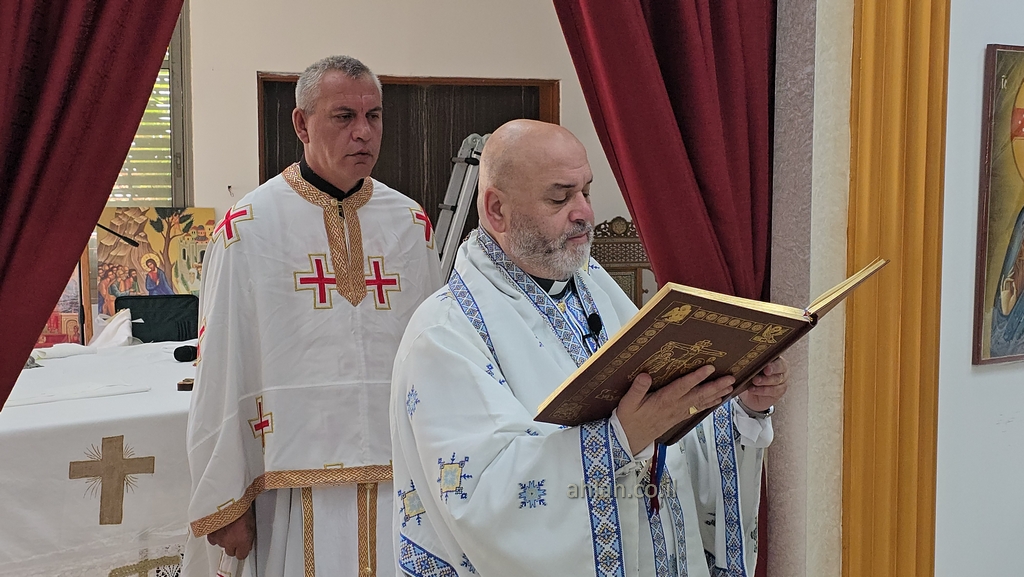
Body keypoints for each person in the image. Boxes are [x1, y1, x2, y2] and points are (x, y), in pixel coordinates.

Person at [390, 119, 788, 577]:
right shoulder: (444, 334)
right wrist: (619, 439)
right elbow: (482, 500)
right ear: (497, 210)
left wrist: (743, 406)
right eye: (560, 198)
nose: (584, 212)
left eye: (586, 191)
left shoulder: (593, 286)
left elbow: (670, 428)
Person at [184, 55, 442, 577]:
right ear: (301, 124)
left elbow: (437, 352)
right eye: (344, 116)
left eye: (373, 116)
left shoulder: (410, 223)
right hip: (288, 480)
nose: (363, 132)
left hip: (402, 477)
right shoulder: (248, 228)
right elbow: (221, 366)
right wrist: (225, 497)